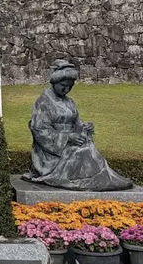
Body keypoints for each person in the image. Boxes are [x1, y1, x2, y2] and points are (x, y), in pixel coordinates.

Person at [23, 59, 132, 191]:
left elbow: (77, 124)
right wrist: (67, 138)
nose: (66, 89)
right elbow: (39, 131)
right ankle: (98, 181)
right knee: (83, 153)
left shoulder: (69, 102)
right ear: (54, 82)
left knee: (89, 150)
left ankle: (103, 179)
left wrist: (85, 128)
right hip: (50, 154)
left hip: (69, 145)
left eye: (70, 86)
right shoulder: (43, 103)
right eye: (63, 85)